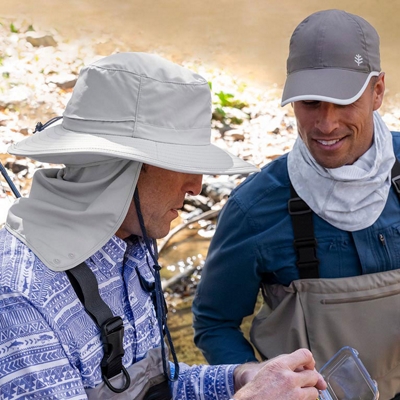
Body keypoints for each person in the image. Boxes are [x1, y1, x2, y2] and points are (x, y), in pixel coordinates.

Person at [0, 53, 325, 399]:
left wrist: (240, 378)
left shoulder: (129, 243)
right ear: (122, 168)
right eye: (183, 164)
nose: (196, 186)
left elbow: (148, 383)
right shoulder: (20, 297)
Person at [192, 9, 400, 400]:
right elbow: (215, 323)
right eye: (310, 103)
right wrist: (259, 382)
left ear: (378, 91)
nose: (325, 123)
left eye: (344, 101)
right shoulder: (253, 210)